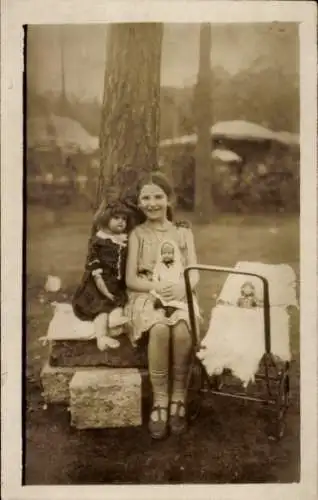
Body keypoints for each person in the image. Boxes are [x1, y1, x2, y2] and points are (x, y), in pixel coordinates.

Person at [125, 172, 200, 439]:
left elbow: (195, 271)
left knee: (181, 330)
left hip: (180, 290)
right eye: (146, 197)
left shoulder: (182, 232)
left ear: (169, 199)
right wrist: (155, 288)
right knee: (158, 328)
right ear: (138, 202)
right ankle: (160, 400)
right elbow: (131, 279)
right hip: (147, 293)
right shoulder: (137, 234)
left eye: (158, 196)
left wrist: (184, 286)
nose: (152, 202)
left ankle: (179, 395)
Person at [72, 201, 131, 351]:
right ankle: (102, 336)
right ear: (106, 219)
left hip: (116, 285)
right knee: (102, 309)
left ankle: (115, 323)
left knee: (119, 306)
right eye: (116, 217)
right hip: (98, 287)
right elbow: (96, 275)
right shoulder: (98, 242)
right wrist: (106, 292)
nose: (121, 221)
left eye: (124, 219)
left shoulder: (123, 240)